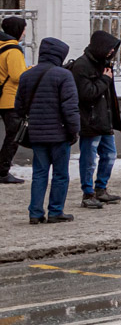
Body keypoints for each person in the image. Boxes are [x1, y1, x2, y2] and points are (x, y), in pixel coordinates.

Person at [17, 37, 77, 224]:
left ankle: (35, 213)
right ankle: (55, 211)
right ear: (60, 55)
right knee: (60, 174)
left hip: (36, 133)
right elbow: (70, 107)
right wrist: (74, 130)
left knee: (39, 173)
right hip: (60, 134)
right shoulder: (64, 75)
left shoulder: (27, 75)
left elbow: (18, 107)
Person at [70, 31, 121, 209]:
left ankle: (101, 188)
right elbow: (86, 94)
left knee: (109, 155)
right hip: (90, 120)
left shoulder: (104, 64)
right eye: (109, 49)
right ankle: (88, 192)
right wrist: (105, 80)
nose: (112, 53)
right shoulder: (82, 66)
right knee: (89, 158)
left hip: (104, 119)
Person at [0, 16, 29, 185]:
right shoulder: (13, 50)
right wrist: (30, 71)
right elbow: (18, 76)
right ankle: (2, 171)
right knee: (14, 136)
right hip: (11, 99)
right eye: (23, 29)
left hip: (1, 97)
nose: (24, 33)